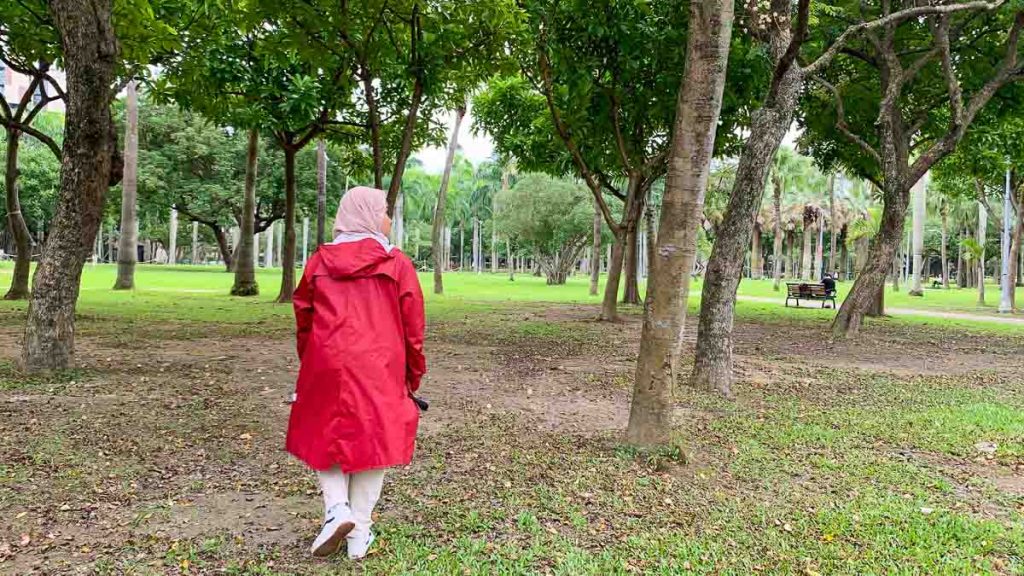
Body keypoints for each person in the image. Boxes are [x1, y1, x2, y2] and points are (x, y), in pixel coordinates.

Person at [285, 186, 426, 560]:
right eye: (385, 211)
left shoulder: (319, 262)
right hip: (380, 365)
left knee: (320, 432)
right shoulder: (396, 264)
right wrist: (414, 374)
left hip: (326, 361)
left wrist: (311, 361)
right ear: (368, 215)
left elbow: (304, 317)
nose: (389, 219)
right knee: (376, 440)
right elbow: (413, 329)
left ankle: (337, 510)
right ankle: (358, 534)